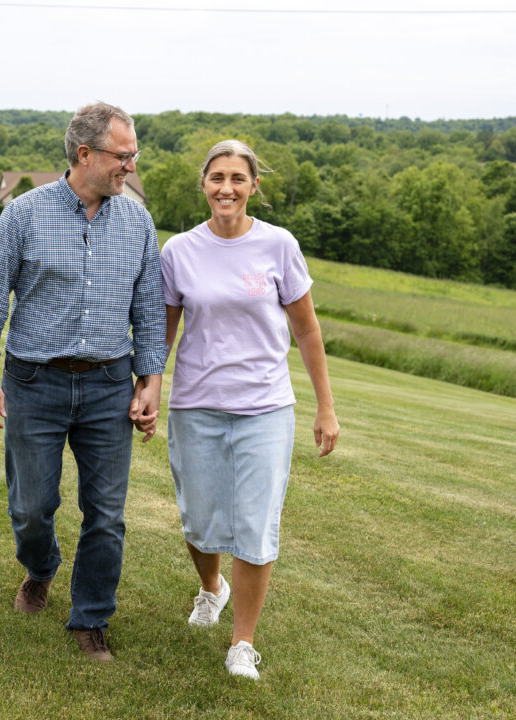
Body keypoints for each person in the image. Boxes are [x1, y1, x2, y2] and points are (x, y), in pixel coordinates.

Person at [0, 102, 167, 662]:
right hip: (35, 382)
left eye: (134, 155)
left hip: (108, 384)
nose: (131, 166)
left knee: (107, 513)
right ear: (85, 154)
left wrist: (150, 382)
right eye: (123, 155)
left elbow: (149, 310)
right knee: (32, 507)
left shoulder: (138, 223)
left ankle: (91, 618)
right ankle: (40, 567)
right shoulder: (25, 214)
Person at [160, 139, 339, 680]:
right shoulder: (179, 251)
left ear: (254, 186)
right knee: (199, 521)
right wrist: (146, 387)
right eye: (217, 177)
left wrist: (325, 408)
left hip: (265, 407)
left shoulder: (279, 245)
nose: (227, 188)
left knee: (256, 526)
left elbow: (307, 330)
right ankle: (210, 588)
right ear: (204, 184)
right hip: (196, 404)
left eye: (238, 178)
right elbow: (163, 333)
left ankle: (243, 643)